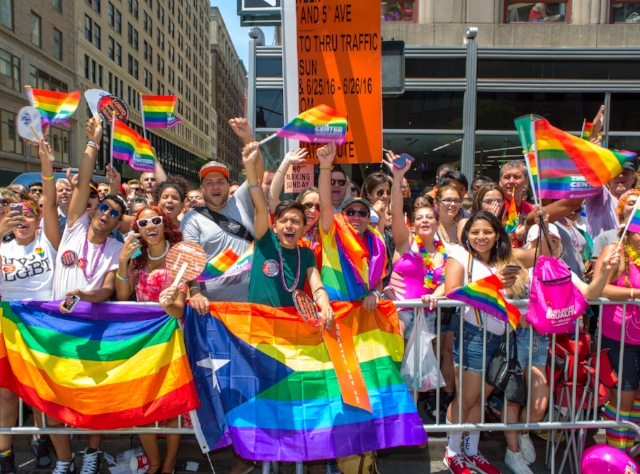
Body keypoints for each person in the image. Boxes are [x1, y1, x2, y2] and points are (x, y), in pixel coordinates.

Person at [505, 223, 621, 466]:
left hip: (542, 342)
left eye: (555, 241)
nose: (550, 245)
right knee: (514, 399)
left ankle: (523, 433)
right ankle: (512, 452)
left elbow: (589, 293)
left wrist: (604, 272)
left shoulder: (562, 268)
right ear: (531, 244)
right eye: (543, 241)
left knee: (538, 405)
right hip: (514, 340)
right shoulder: (517, 266)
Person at [444, 211, 548, 474]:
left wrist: (537, 223)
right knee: (466, 400)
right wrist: (493, 283)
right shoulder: (460, 256)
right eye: (475, 231)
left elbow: (544, 253)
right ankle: (452, 453)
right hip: (473, 336)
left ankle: (471, 451)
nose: (481, 237)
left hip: (501, 340)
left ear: (497, 234)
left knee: (480, 400)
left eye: (487, 231)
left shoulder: (505, 258)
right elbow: (452, 293)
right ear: (466, 235)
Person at [49, 117, 125, 474]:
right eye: (104, 207)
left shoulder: (113, 248)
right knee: (48, 396)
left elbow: (109, 289)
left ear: (115, 223)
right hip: (53, 326)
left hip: (93, 329)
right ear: (93, 210)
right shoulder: (75, 225)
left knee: (93, 396)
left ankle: (92, 454)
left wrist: (86, 295)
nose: (106, 214)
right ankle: (64, 460)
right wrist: (93, 141)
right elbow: (82, 181)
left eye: (114, 213)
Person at [0, 141, 60, 474]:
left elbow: (50, 201)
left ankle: (43, 440)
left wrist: (44, 161)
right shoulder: (2, 242)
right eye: (15, 215)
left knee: (39, 392)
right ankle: (5, 454)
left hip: (41, 323)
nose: (22, 219)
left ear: (38, 220)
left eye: (29, 214)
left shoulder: (46, 240)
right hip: (6, 323)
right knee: (7, 393)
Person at [115, 205, 189, 474]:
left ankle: (168, 463)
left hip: (173, 341)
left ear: (164, 223)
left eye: (155, 221)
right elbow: (122, 296)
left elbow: (179, 308)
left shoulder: (180, 258)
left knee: (169, 408)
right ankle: (154, 462)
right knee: (141, 407)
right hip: (144, 342)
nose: (150, 227)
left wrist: (168, 305)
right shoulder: (138, 261)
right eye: (143, 223)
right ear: (138, 231)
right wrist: (123, 260)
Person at [318, 143, 387, 310]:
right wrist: (325, 167)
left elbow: (378, 280)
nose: (356, 217)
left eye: (362, 213)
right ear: (342, 215)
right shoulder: (332, 232)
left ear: (369, 218)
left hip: (363, 313)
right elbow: (325, 202)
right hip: (335, 312)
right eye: (351, 213)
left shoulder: (376, 242)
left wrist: (375, 294)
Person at [595, 228, 640, 452]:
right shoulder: (616, 252)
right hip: (621, 338)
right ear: (629, 232)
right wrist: (636, 294)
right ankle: (617, 458)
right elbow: (597, 288)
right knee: (624, 400)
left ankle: (629, 455)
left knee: (638, 399)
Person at [592, 190, 640, 260]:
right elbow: (596, 267)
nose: (636, 208)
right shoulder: (606, 236)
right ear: (621, 210)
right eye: (631, 204)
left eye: (639, 205)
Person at [435, 185, 463, 250]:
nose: (453, 204)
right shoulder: (430, 229)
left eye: (456, 200)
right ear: (436, 203)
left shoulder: (463, 230)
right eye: (447, 200)